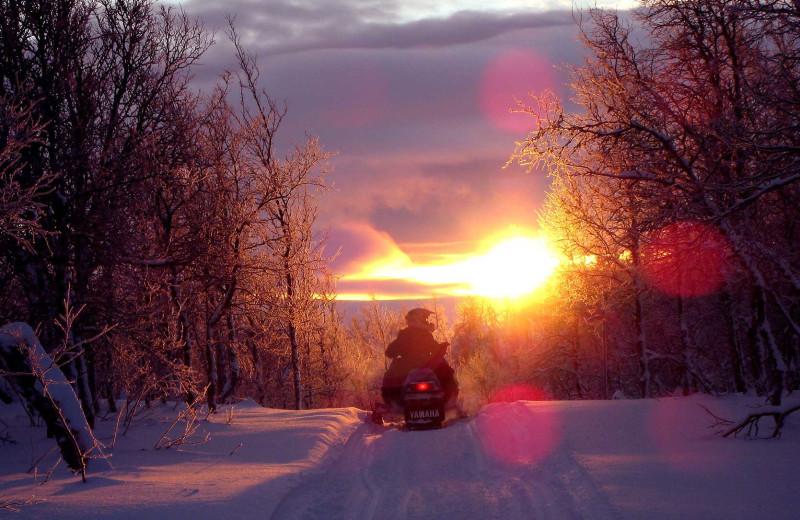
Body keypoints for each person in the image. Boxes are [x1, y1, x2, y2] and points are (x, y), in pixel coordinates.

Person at [380, 308, 458, 412]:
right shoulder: (426, 335)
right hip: (425, 365)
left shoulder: (403, 335)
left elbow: (389, 352)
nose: (427, 322)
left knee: (389, 378)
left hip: (405, 366)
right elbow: (435, 349)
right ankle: (449, 402)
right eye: (425, 319)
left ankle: (394, 404)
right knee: (448, 373)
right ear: (418, 319)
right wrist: (441, 348)